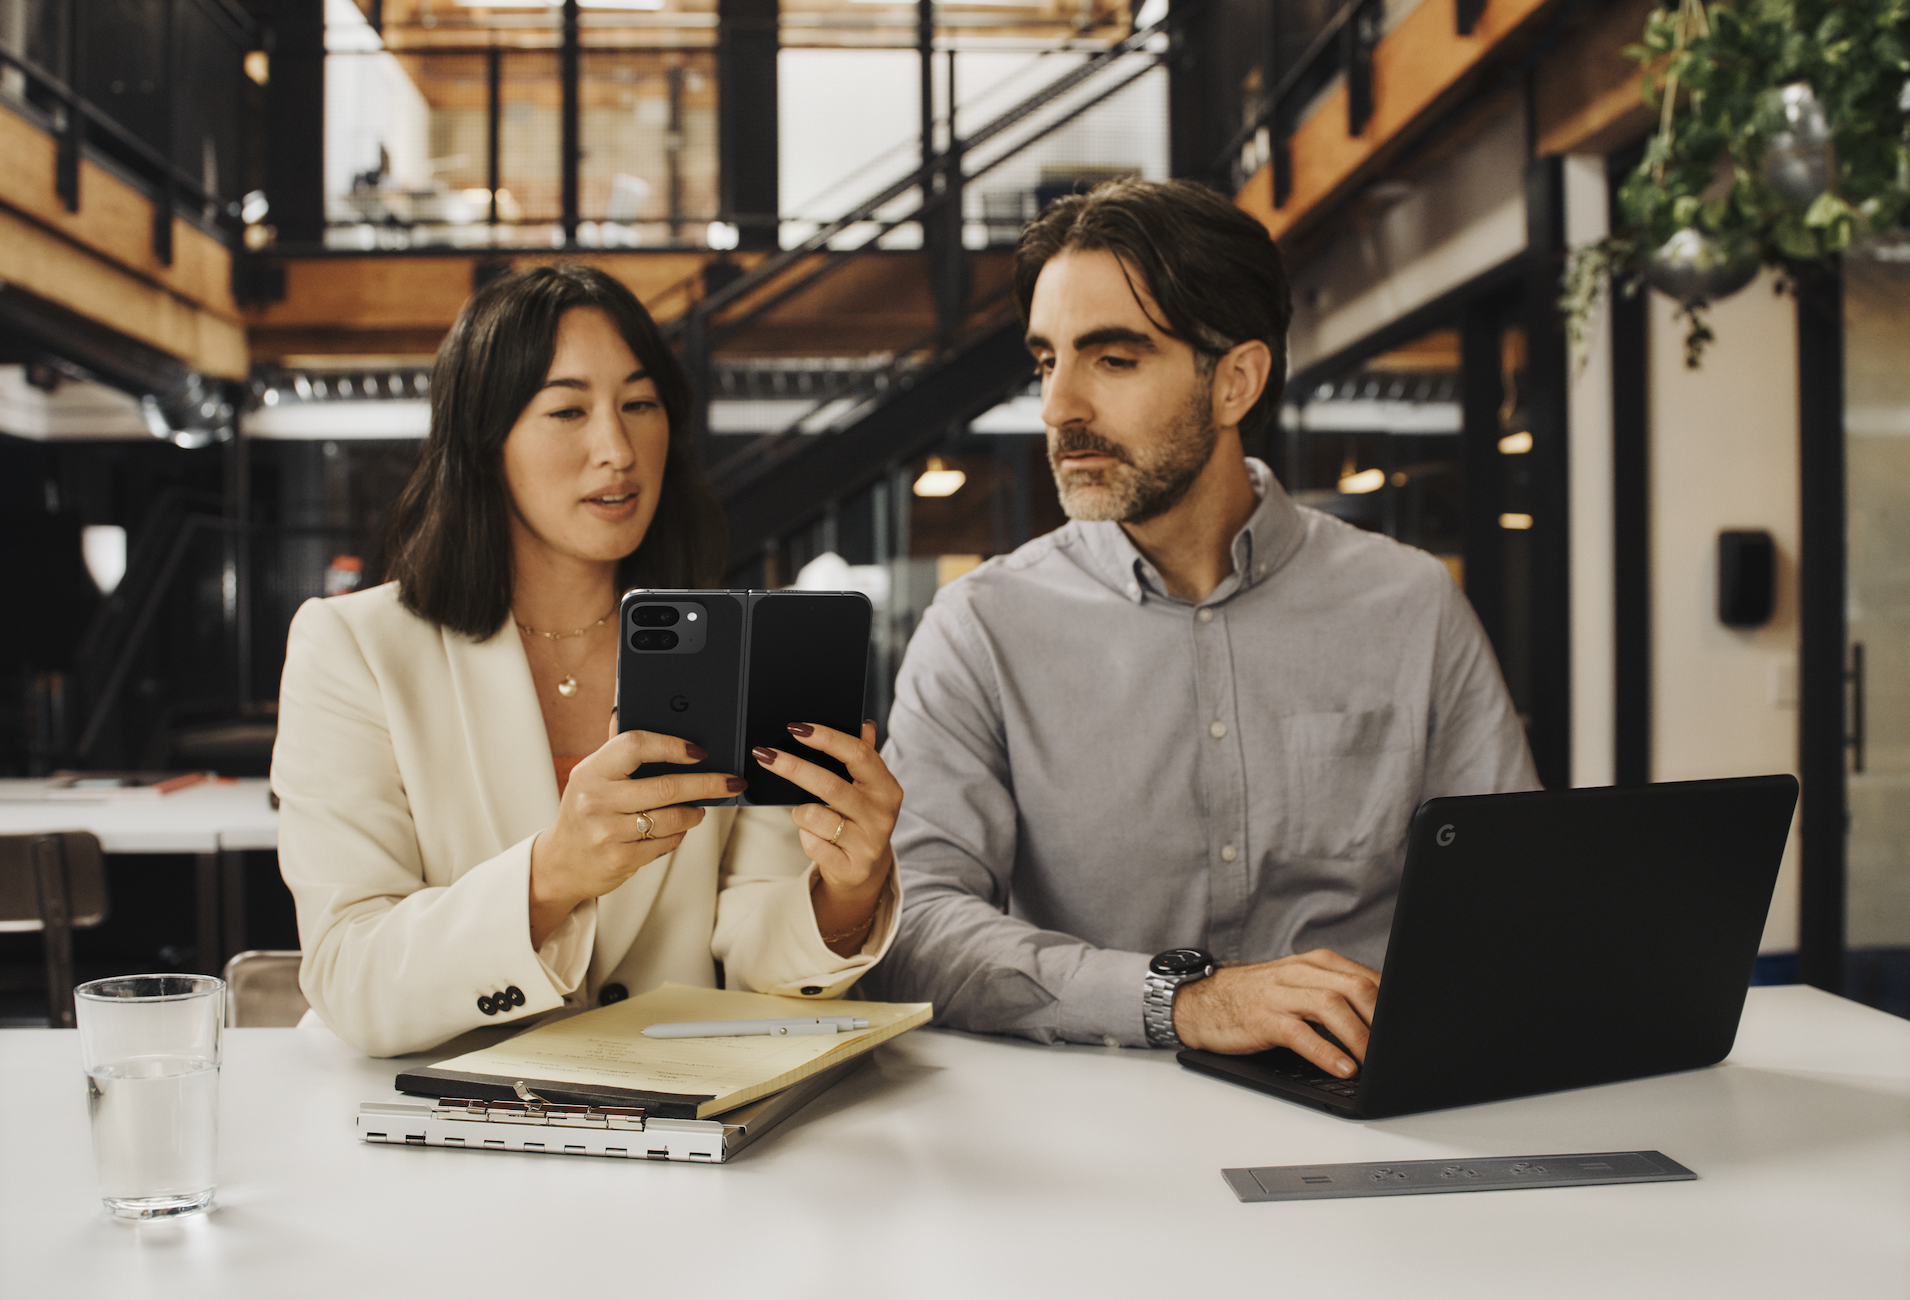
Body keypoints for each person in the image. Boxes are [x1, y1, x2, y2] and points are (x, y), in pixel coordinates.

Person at [859, 179, 1537, 1078]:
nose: (1059, 407)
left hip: (1368, 1104)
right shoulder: (981, 628)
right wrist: (1181, 1003)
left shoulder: (1410, 605)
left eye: (1113, 360)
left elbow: (1510, 901)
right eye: (1046, 361)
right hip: (1099, 1121)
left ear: (1236, 381)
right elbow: (919, 927)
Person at [272, 263, 903, 1058]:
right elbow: (350, 973)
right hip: (434, 1125)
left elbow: (752, 951)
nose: (617, 448)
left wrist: (846, 891)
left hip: (681, 1121)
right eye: (568, 410)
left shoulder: (737, 646)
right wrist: (551, 876)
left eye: (640, 405)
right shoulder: (356, 647)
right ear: (484, 438)